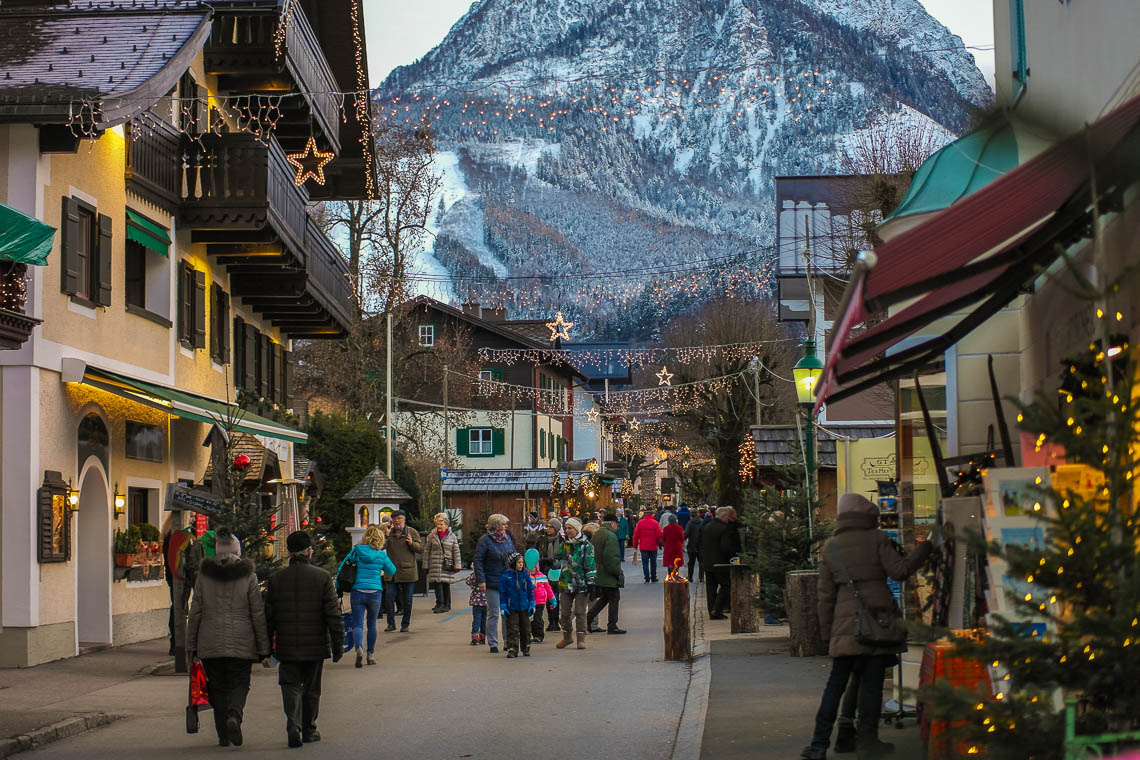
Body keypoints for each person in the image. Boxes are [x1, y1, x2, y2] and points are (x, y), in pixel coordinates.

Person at [801, 494, 933, 760]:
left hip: (844, 627)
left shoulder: (831, 546)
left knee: (834, 687)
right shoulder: (877, 539)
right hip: (877, 624)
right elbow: (900, 571)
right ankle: (868, 744)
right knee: (871, 686)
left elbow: (824, 598)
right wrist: (926, 548)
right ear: (867, 514)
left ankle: (818, 745)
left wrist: (829, 635)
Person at [185, 530, 268, 748]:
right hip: (242, 641)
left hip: (209, 641)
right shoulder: (248, 575)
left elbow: (195, 612)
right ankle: (234, 714)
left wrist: (191, 645)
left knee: (217, 686)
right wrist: (263, 646)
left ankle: (223, 734)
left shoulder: (204, 576)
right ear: (237, 552)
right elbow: (257, 612)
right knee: (240, 682)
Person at [265, 531, 344, 748]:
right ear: (309, 551)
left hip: (286, 644)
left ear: (289, 552)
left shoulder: (276, 579)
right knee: (311, 687)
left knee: (290, 684)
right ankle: (309, 729)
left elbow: (268, 617)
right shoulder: (322, 577)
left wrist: (265, 648)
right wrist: (338, 643)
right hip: (315, 644)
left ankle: (293, 723)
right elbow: (333, 614)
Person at [337, 525, 396, 668]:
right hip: (375, 592)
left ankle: (359, 648)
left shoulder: (357, 550)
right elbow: (392, 570)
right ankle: (370, 654)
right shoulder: (381, 554)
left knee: (358, 624)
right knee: (372, 624)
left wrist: (338, 586)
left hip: (358, 590)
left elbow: (342, 568)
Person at [473, 513, 516, 654]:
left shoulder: (507, 538)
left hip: (507, 580)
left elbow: (513, 556)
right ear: (496, 525)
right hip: (491, 581)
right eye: (504, 524)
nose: (506, 527)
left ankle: (507, 641)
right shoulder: (485, 540)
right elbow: (478, 561)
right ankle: (493, 643)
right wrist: (481, 580)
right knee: (493, 613)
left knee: (507, 612)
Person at [555, 517, 596, 650]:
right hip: (566, 582)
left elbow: (590, 565)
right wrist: (551, 563)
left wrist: (591, 583)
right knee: (565, 612)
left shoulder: (586, 545)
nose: (567, 531)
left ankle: (581, 638)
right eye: (566, 528)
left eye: (570, 528)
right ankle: (567, 637)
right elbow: (559, 560)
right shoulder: (564, 544)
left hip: (581, 583)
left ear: (576, 529)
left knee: (580, 611)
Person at [383, 510, 423, 633]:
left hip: (407, 571)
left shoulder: (412, 532)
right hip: (391, 572)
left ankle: (405, 624)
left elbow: (421, 549)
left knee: (407, 600)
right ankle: (391, 624)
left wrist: (412, 544)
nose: (397, 521)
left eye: (399, 518)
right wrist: (385, 535)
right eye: (394, 519)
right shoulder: (389, 533)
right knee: (389, 598)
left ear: (404, 519)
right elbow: (380, 546)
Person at [587, 512, 626, 634]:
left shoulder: (597, 534)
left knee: (605, 598)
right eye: (617, 525)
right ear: (613, 524)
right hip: (608, 574)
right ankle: (612, 625)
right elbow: (611, 557)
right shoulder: (610, 536)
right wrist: (617, 572)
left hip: (598, 572)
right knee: (614, 597)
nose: (617, 528)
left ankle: (590, 616)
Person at [701, 506, 742, 619]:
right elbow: (726, 547)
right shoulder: (724, 529)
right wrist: (732, 558)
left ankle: (712, 611)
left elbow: (701, 544)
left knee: (711, 588)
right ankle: (717, 609)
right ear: (724, 517)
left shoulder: (707, 526)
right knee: (726, 586)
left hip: (708, 562)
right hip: (720, 563)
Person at [499, 552, 536, 658]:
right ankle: (512, 649)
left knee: (526, 628)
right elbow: (503, 592)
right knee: (512, 628)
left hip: (524, 606)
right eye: (518, 562)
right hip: (512, 607)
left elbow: (530, 590)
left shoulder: (525, 575)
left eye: (522, 563)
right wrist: (503, 605)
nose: (521, 565)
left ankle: (526, 647)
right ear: (513, 563)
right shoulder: (506, 576)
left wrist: (532, 603)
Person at [424, 512, 461, 614]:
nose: (439, 526)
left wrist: (457, 565)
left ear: (446, 524)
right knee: (437, 584)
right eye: (437, 524)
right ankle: (440, 603)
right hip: (435, 564)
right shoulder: (432, 536)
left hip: (447, 564)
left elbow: (456, 551)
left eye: (441, 524)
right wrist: (426, 566)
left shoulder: (452, 536)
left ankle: (447, 604)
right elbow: (427, 551)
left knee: (445, 584)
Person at [528, 550, 557, 642]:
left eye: (534, 568)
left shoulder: (542, 576)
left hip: (540, 601)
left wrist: (553, 599)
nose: (532, 569)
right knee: (530, 618)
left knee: (537, 618)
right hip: (530, 601)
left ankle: (539, 635)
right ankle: (531, 634)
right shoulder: (526, 577)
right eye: (530, 568)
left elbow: (548, 589)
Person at [632, 510, 664, 583]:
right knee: (653, 562)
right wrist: (661, 544)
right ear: (652, 515)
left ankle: (646, 578)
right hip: (653, 546)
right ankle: (653, 577)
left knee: (645, 563)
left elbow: (636, 535)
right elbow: (659, 535)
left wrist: (635, 545)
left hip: (643, 546)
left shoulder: (640, 523)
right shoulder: (655, 523)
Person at [465, 572, 488, 645]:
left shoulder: (475, 575)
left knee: (476, 620)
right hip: (486, 601)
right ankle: (482, 637)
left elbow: (467, 581)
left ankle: (475, 638)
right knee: (484, 621)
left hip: (476, 602)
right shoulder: (487, 574)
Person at [661, 512, 686, 577]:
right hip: (677, 547)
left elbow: (663, 538)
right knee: (677, 561)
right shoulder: (679, 528)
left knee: (669, 561)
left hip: (668, 547)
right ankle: (676, 573)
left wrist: (663, 544)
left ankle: (670, 575)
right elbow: (682, 538)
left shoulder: (666, 528)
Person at [683, 509, 705, 583]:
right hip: (701, 545)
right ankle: (701, 577)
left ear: (691, 515)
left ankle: (690, 577)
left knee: (691, 563)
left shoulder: (690, 523)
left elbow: (686, 534)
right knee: (701, 562)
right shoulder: (702, 522)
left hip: (692, 546)